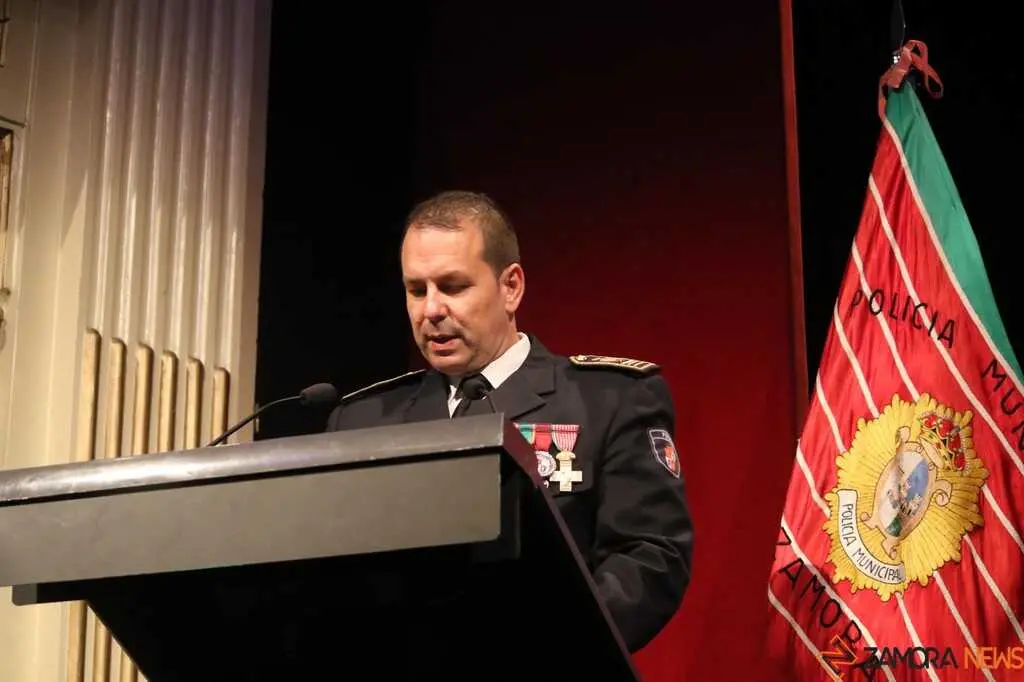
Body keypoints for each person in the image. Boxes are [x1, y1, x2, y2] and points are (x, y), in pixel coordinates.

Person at [325, 190, 694, 656]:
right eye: (416, 290)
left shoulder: (610, 400)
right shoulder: (360, 422)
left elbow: (650, 558)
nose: (431, 309)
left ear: (511, 287)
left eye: (453, 286)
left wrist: (539, 646)